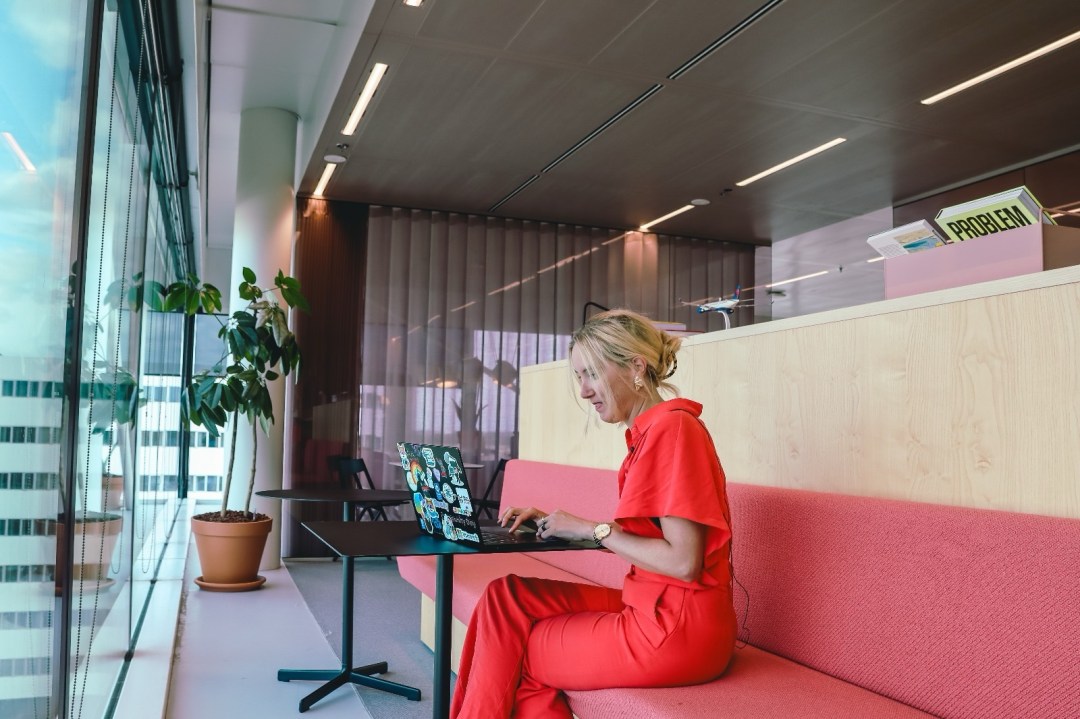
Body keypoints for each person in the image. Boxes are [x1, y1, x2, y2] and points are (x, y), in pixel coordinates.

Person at [450, 308, 737, 719]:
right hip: (652, 604)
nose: (584, 391)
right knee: (505, 595)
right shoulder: (651, 433)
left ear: (636, 367)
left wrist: (593, 529)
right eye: (579, 377)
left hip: (676, 627)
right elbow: (651, 540)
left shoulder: (673, 430)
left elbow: (683, 562)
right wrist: (557, 525)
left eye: (592, 374)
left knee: (522, 651)